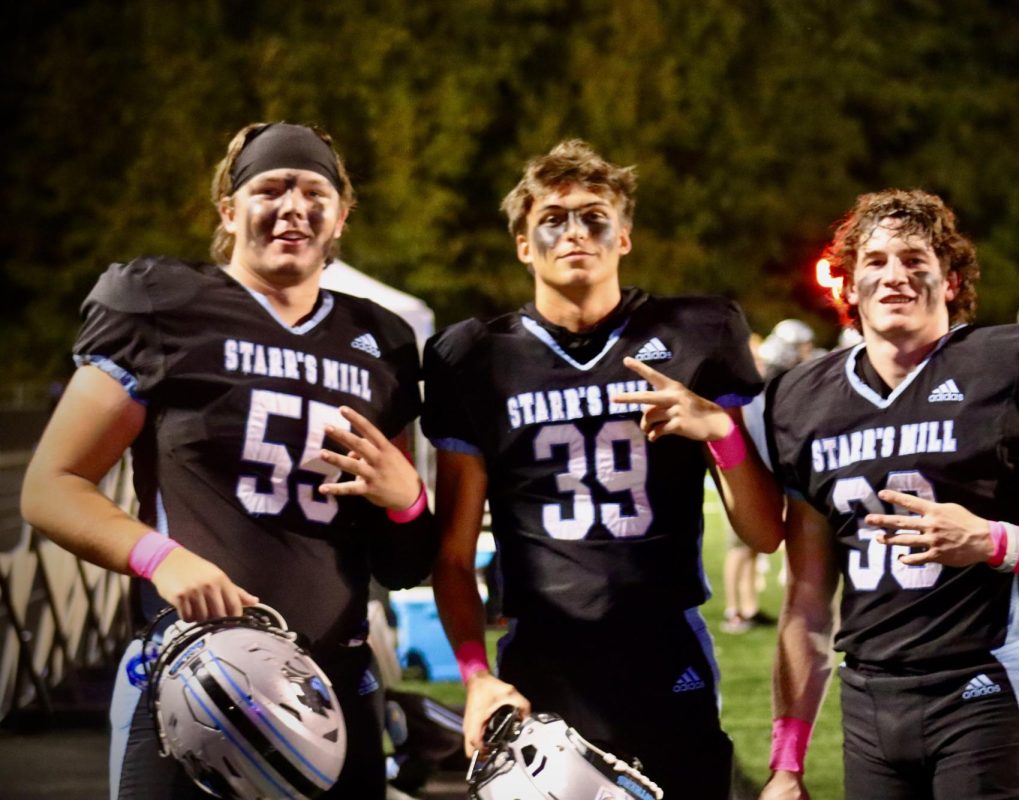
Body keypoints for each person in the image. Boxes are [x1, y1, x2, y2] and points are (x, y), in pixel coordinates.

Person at [617, 189, 1019, 800]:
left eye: (916, 259)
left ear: (950, 282)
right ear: (846, 285)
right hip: (868, 703)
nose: (896, 275)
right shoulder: (805, 401)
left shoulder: (1009, 369)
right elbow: (808, 603)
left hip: (982, 688)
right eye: (875, 260)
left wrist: (991, 540)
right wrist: (787, 763)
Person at [20, 122, 438, 799]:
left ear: (342, 215)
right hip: (196, 681)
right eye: (270, 188)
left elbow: (403, 563)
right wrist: (162, 558)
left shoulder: (382, 342)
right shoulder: (163, 305)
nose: (293, 206)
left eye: (314, 191)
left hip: (332, 690)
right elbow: (50, 487)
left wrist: (408, 501)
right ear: (228, 208)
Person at [423, 139, 766, 799]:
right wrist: (473, 676)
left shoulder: (696, 334)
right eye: (553, 218)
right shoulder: (474, 358)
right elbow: (454, 555)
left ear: (625, 236)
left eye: (593, 215)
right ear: (524, 244)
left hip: (667, 645)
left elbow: (762, 533)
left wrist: (721, 431)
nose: (574, 231)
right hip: (544, 660)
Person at [723, 320, 815, 634]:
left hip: (765, 467)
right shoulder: (756, 381)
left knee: (753, 545)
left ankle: (747, 606)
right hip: (748, 468)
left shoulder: (771, 380)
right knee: (739, 545)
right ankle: (735, 609)